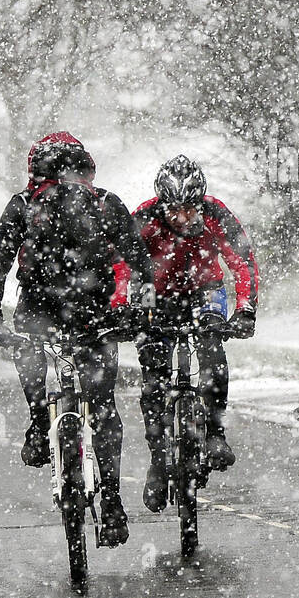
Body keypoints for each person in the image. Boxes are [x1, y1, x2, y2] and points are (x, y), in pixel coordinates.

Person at [0, 132, 154, 547]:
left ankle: (41, 425)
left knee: (31, 353)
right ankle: (111, 501)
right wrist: (138, 312)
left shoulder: (23, 205)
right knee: (103, 406)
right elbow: (140, 264)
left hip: (43, 312)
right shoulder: (104, 202)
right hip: (91, 313)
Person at [118, 155, 259, 514]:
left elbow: (242, 261)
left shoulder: (217, 214)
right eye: (174, 211)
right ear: (161, 204)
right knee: (153, 374)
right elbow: (121, 264)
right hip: (155, 291)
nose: (183, 219)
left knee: (212, 348)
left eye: (190, 211)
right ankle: (157, 462)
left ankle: (214, 433)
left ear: (201, 203)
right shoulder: (144, 217)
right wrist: (125, 307)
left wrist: (244, 309)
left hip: (204, 289)